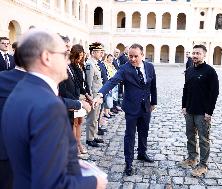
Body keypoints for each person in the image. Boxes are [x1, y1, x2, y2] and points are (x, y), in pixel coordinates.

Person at [1, 29, 107, 188]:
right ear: (46, 57)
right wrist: (95, 182)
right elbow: (51, 184)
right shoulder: (48, 105)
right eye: (64, 54)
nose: (68, 60)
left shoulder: (24, 89)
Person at [93, 43, 157, 176]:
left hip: (146, 107)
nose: (132, 59)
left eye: (135, 56)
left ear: (142, 55)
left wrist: (153, 102)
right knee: (130, 136)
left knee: (144, 132)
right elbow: (112, 81)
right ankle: (128, 163)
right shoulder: (124, 68)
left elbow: (153, 85)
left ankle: (142, 153)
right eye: (130, 56)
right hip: (131, 108)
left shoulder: (149, 67)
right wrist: (100, 94)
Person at [180, 44, 219, 177]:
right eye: (194, 53)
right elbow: (185, 89)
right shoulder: (190, 70)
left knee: (203, 139)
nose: (195, 55)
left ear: (204, 55)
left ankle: (203, 165)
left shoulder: (210, 71)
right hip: (189, 110)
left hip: (202, 112)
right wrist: (183, 106)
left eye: (198, 53)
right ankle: (192, 158)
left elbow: (214, 93)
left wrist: (209, 112)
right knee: (190, 136)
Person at [85, 42, 105, 147]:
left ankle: (94, 135)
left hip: (98, 96)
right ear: (93, 53)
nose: (101, 54)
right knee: (92, 118)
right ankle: (89, 138)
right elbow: (89, 83)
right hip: (93, 96)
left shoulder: (95, 63)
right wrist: (91, 98)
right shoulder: (89, 64)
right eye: (99, 52)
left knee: (96, 117)